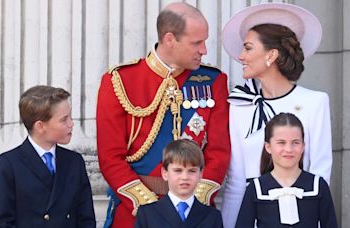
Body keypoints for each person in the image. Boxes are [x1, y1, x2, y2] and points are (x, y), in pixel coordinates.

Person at [96, 2, 230, 228]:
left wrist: (190, 203)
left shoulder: (213, 81)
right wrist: (150, 206)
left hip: (193, 214)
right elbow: (110, 158)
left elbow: (219, 152)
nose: (204, 50)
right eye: (197, 42)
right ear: (170, 39)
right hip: (137, 212)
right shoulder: (119, 81)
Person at [220, 3, 332, 228]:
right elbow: (235, 183)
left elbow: (320, 175)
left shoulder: (315, 102)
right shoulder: (239, 106)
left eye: (248, 48)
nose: (241, 56)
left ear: (271, 54)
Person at [0, 85, 96, 227]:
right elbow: (2, 223)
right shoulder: (8, 164)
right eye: (64, 119)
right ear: (40, 126)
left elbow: (86, 219)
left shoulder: (74, 162)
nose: (71, 124)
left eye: (70, 117)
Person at [235, 113, 337, 227]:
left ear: (303, 146)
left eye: (295, 142)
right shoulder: (256, 188)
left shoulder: (318, 186)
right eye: (281, 143)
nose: (289, 149)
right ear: (268, 147)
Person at [134, 139, 223, 228]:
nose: (185, 177)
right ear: (165, 173)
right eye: (178, 170)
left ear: (200, 174)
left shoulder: (213, 216)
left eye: (192, 171)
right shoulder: (147, 214)